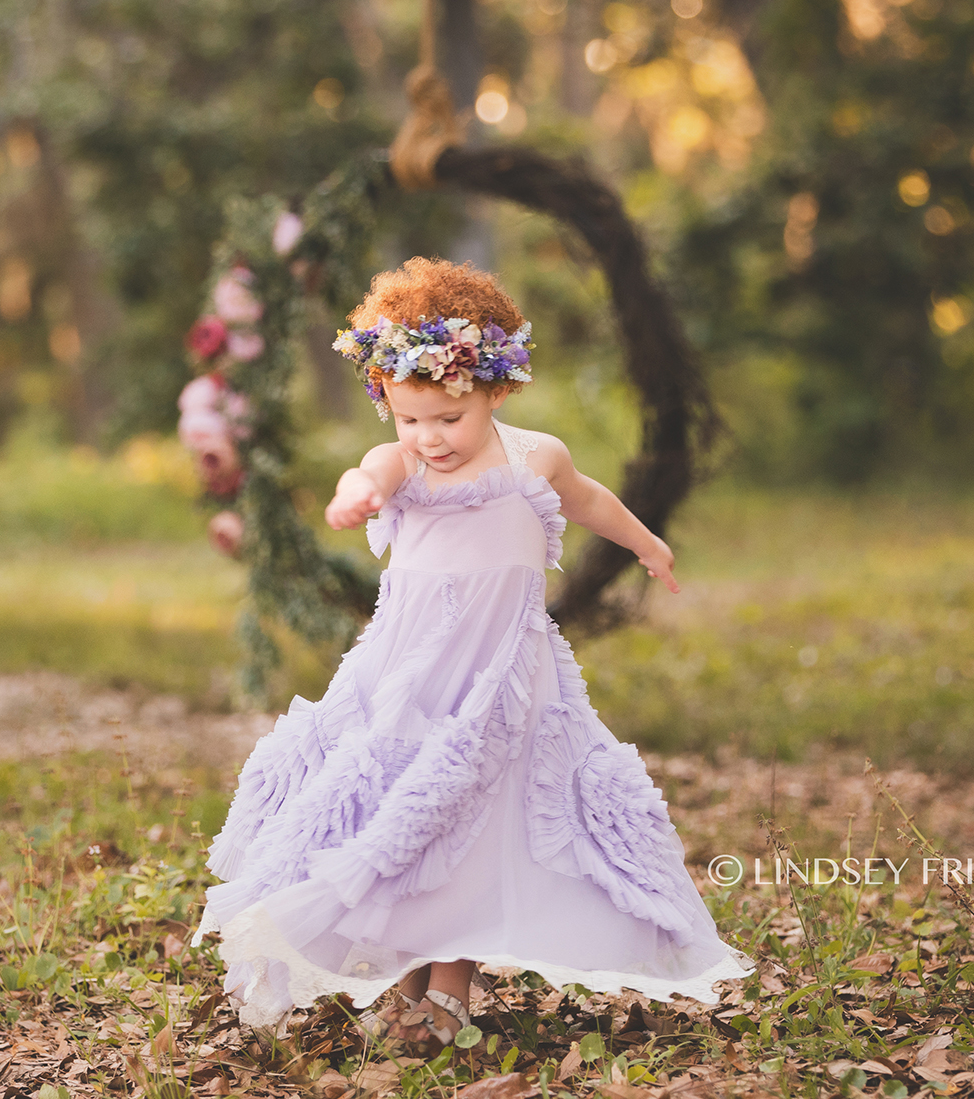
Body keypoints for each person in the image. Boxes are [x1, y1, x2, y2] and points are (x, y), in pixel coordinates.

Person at [192, 257, 753, 1049]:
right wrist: (356, 492)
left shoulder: (536, 458)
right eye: (407, 416)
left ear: (495, 391)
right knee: (408, 813)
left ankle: (449, 987)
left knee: (476, 818)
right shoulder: (405, 461)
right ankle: (411, 973)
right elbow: (372, 467)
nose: (428, 437)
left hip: (502, 682)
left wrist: (647, 542)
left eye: (447, 419)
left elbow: (588, 498)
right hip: (413, 677)